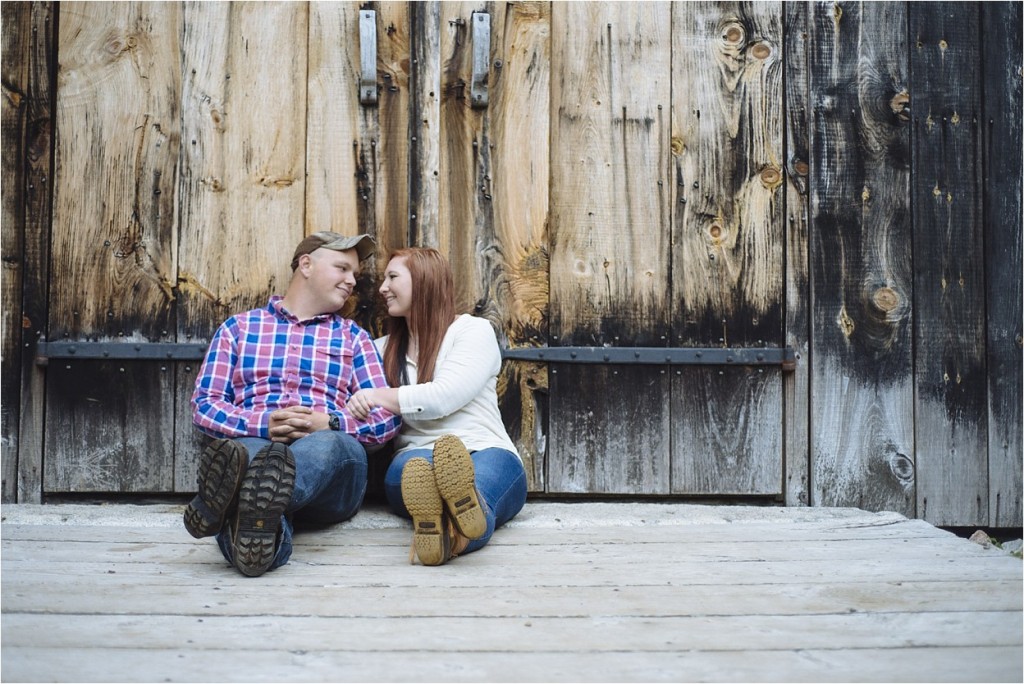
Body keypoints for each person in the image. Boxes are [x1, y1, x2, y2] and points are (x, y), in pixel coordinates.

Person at [184, 231, 401, 577]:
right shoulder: (238, 329)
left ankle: (244, 496)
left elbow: (386, 419)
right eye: (342, 268)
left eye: (355, 275)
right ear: (306, 265)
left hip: (334, 471)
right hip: (256, 443)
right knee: (247, 456)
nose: (351, 282)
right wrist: (262, 423)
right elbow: (205, 406)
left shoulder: (353, 338)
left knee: (327, 446)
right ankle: (262, 525)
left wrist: (328, 422)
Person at [347, 247, 528, 566]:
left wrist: (378, 396)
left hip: (485, 448)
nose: (382, 288)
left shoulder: (472, 331)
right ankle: (453, 534)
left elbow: (444, 397)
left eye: (392, 277)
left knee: (478, 494)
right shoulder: (379, 350)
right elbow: (365, 422)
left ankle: (449, 532)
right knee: (416, 474)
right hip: (416, 456)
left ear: (423, 280)